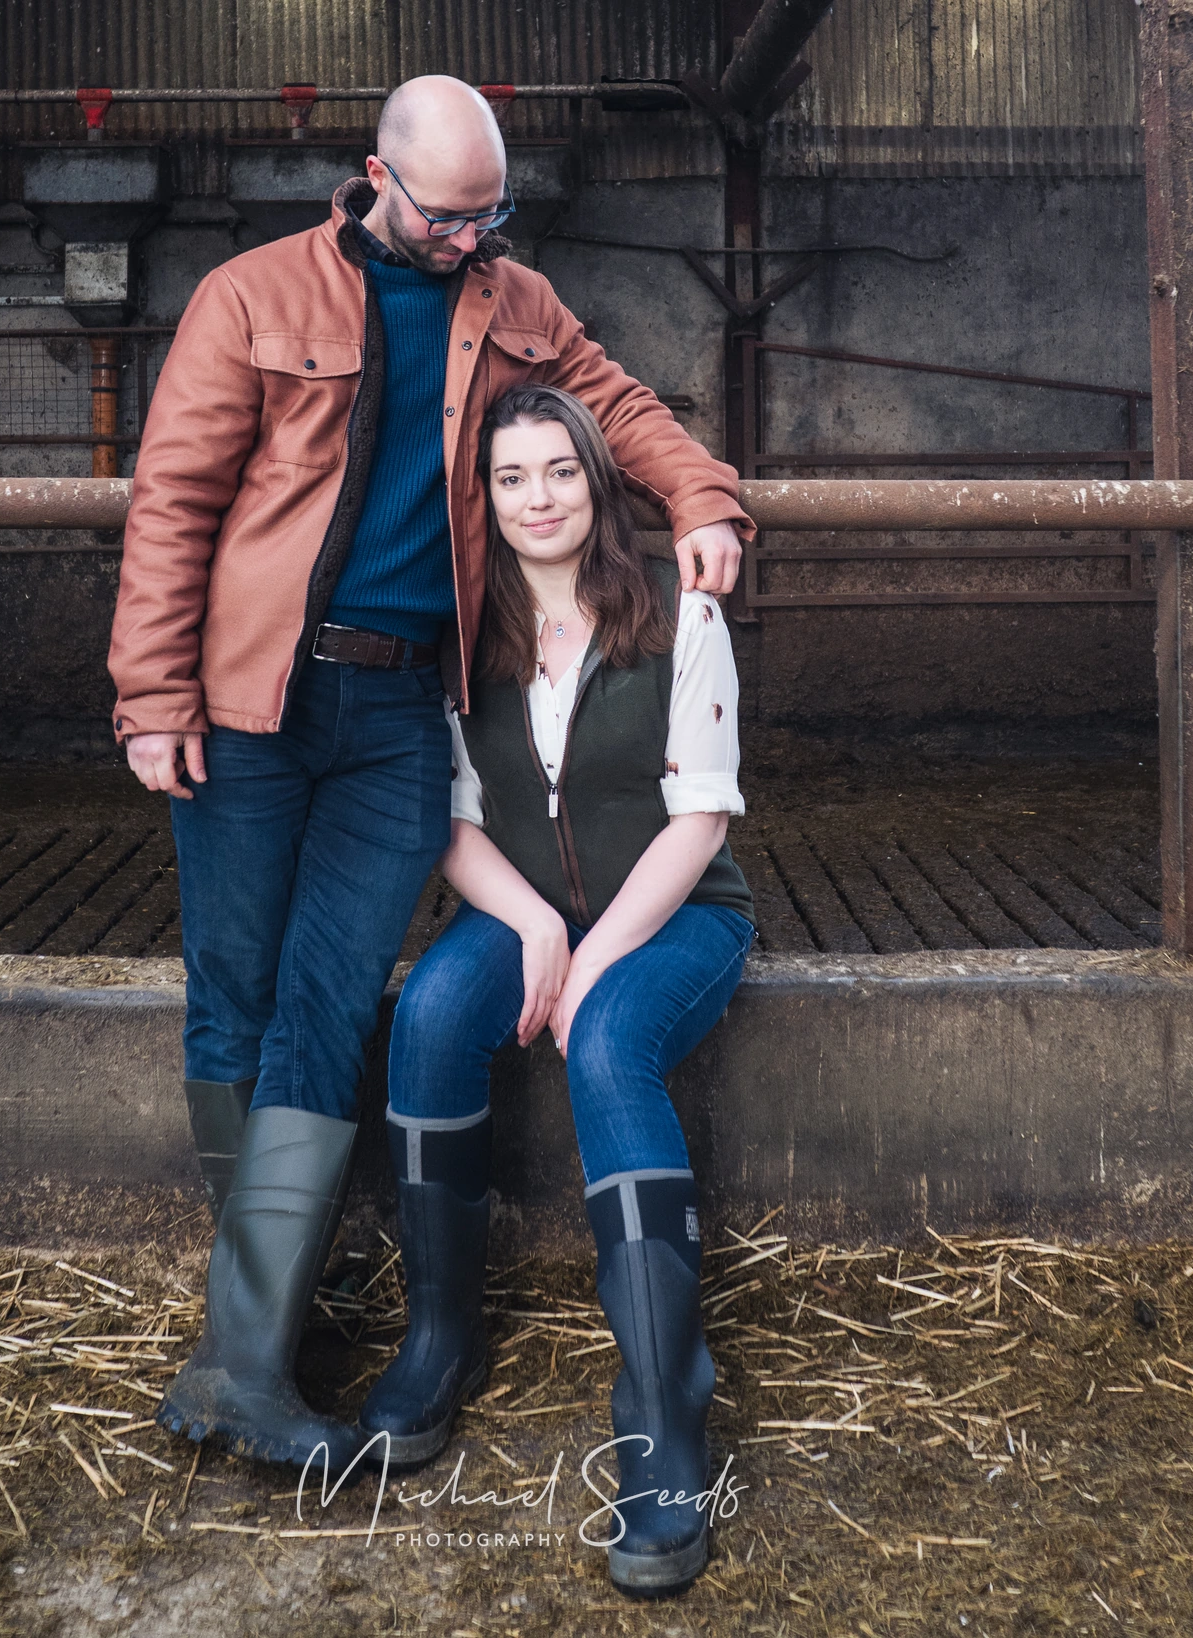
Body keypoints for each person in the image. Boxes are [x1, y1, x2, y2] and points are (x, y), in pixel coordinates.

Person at [111, 74, 752, 1473]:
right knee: (236, 983)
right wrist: (152, 692)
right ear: (376, 179)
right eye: (448, 216)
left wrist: (702, 493)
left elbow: (612, 404)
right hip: (258, 697)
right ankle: (250, 1349)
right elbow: (175, 499)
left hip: (406, 713)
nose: (471, 241)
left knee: (336, 997)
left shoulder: (511, 299)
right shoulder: (253, 297)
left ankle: (252, 1350)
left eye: (490, 216)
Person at [359, 384, 754, 1598]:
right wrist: (533, 923)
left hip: (675, 915)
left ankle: (664, 1405)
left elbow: (701, 817)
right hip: (515, 909)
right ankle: (438, 1338)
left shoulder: (676, 616)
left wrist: (588, 961)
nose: (538, 499)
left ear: (599, 483)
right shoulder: (458, 636)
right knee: (428, 1013)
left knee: (604, 1046)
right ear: (481, 501)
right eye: (510, 479)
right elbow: (448, 822)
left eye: (561, 473)